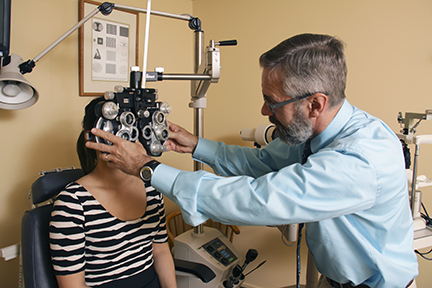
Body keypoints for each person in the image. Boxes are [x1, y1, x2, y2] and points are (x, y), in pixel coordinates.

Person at [86, 33, 418, 287]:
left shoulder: (358, 159)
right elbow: (258, 163)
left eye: (271, 102)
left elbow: (256, 199)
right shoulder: (313, 134)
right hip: (333, 279)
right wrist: (195, 145)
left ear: (315, 105)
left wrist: (148, 168)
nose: (264, 112)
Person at [49, 97, 176, 288]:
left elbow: (160, 252)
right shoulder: (72, 204)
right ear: (91, 137)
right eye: (113, 133)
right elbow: (72, 285)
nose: (122, 143)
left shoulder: (150, 186)